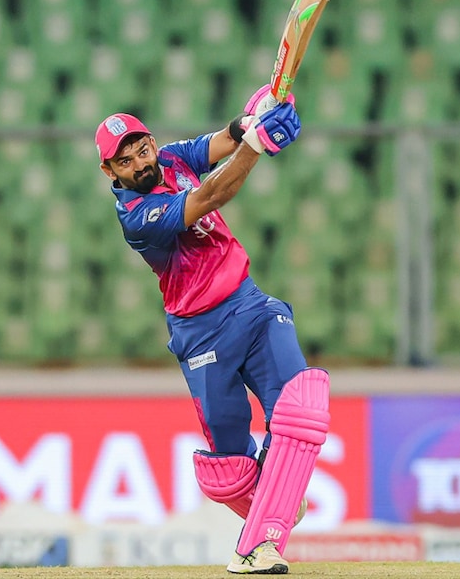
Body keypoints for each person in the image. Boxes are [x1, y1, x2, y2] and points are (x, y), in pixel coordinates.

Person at [94, 86, 331, 575]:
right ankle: (274, 500)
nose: (140, 162)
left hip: (250, 305)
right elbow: (211, 194)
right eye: (125, 160)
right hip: (201, 334)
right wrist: (258, 146)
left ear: (151, 141)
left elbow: (225, 139)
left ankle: (257, 548)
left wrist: (256, 118)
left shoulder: (172, 159)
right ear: (110, 172)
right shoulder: (136, 217)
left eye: (142, 147)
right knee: (228, 472)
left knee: (300, 409)